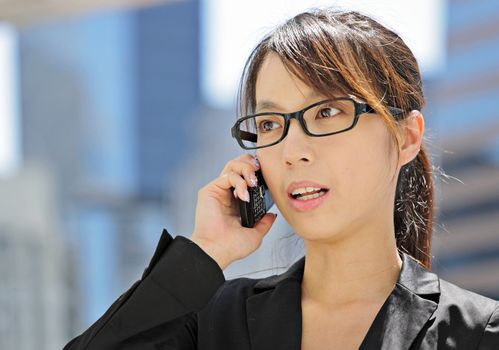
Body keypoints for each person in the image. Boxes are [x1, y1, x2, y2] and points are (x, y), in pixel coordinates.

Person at [64, 8, 499, 350]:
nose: (292, 151)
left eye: (327, 112)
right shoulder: (216, 321)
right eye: (270, 124)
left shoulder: (478, 331)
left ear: (405, 138)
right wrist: (204, 253)